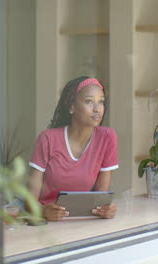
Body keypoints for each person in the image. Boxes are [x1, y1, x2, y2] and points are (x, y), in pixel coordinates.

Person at [27, 76, 118, 221]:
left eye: (101, 102)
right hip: (44, 224)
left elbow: (101, 198)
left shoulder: (107, 138)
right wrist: (43, 212)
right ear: (71, 106)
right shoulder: (47, 139)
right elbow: (29, 202)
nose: (97, 109)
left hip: (82, 222)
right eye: (89, 101)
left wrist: (106, 209)